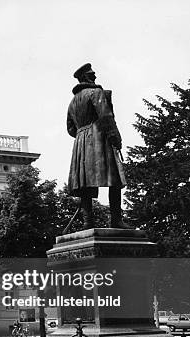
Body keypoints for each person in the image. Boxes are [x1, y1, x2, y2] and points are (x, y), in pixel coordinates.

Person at [66, 63, 133, 230]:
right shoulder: (96, 93)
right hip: (98, 138)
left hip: (81, 143)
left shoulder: (72, 102)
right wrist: (115, 136)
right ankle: (116, 220)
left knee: (86, 183)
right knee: (114, 179)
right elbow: (105, 116)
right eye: (92, 74)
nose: (95, 76)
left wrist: (83, 135)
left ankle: (88, 223)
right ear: (86, 77)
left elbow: (70, 129)